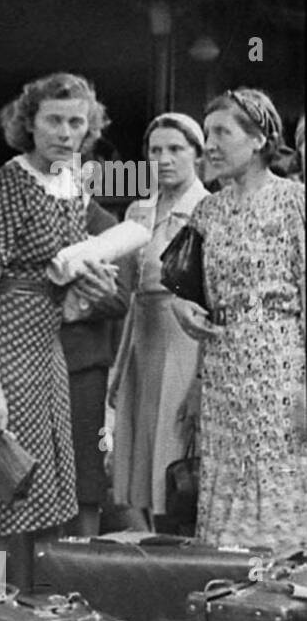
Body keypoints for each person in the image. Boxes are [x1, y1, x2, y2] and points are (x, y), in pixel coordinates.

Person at [0, 72, 117, 589]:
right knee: (3, 486)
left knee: (43, 491)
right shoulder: (9, 181)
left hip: (46, 347)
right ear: (29, 123)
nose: (65, 133)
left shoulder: (74, 184)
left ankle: (25, 613)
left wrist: (87, 288)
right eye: (53, 121)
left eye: (76, 122)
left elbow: (60, 280)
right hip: (1, 343)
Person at [173, 88, 306, 553]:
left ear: (258, 140)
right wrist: (183, 308)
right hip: (224, 368)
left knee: (278, 474)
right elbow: (189, 293)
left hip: (281, 366)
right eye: (207, 132)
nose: (209, 144)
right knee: (226, 478)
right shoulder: (206, 211)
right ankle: (226, 586)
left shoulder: (295, 203)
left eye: (221, 132)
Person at [108, 113, 207, 533]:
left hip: (184, 337)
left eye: (176, 149)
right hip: (142, 335)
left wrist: (202, 378)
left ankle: (178, 553)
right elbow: (128, 288)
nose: (164, 159)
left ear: (197, 155)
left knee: (174, 454)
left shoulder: (207, 209)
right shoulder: (139, 210)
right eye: (155, 150)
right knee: (138, 454)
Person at [59, 194, 130, 537]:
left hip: (83, 365)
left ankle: (78, 569)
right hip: (28, 359)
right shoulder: (24, 210)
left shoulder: (104, 224)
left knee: (85, 474)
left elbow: (121, 297)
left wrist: (78, 305)